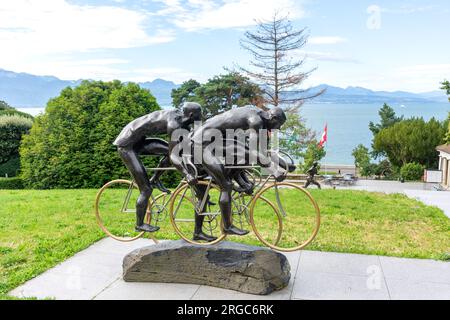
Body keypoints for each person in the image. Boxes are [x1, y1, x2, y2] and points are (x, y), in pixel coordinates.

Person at [188, 105, 290, 236]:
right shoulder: (256, 121)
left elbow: (263, 151)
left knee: (244, 154)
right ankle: (227, 226)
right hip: (202, 144)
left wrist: (285, 164)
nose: (279, 128)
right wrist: (274, 171)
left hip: (216, 140)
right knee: (226, 186)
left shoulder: (259, 117)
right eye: (279, 124)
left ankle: (236, 181)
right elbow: (255, 151)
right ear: (273, 118)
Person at [113, 103, 202, 233]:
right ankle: (139, 224)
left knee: (171, 151)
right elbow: (174, 156)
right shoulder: (174, 124)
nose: (202, 117)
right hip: (126, 146)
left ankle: (155, 179)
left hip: (139, 141)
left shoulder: (184, 122)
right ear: (191, 115)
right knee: (146, 189)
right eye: (200, 114)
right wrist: (186, 174)